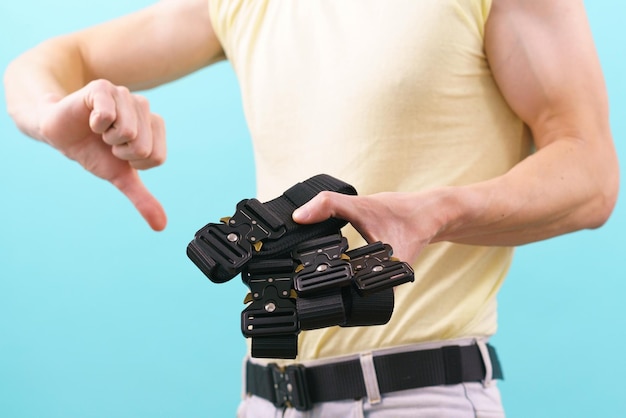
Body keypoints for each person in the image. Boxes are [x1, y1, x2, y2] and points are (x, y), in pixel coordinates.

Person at [4, 0, 619, 416]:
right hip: (265, 397)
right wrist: (53, 114)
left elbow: (591, 173)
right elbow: (42, 65)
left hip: (417, 395)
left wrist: (436, 211)